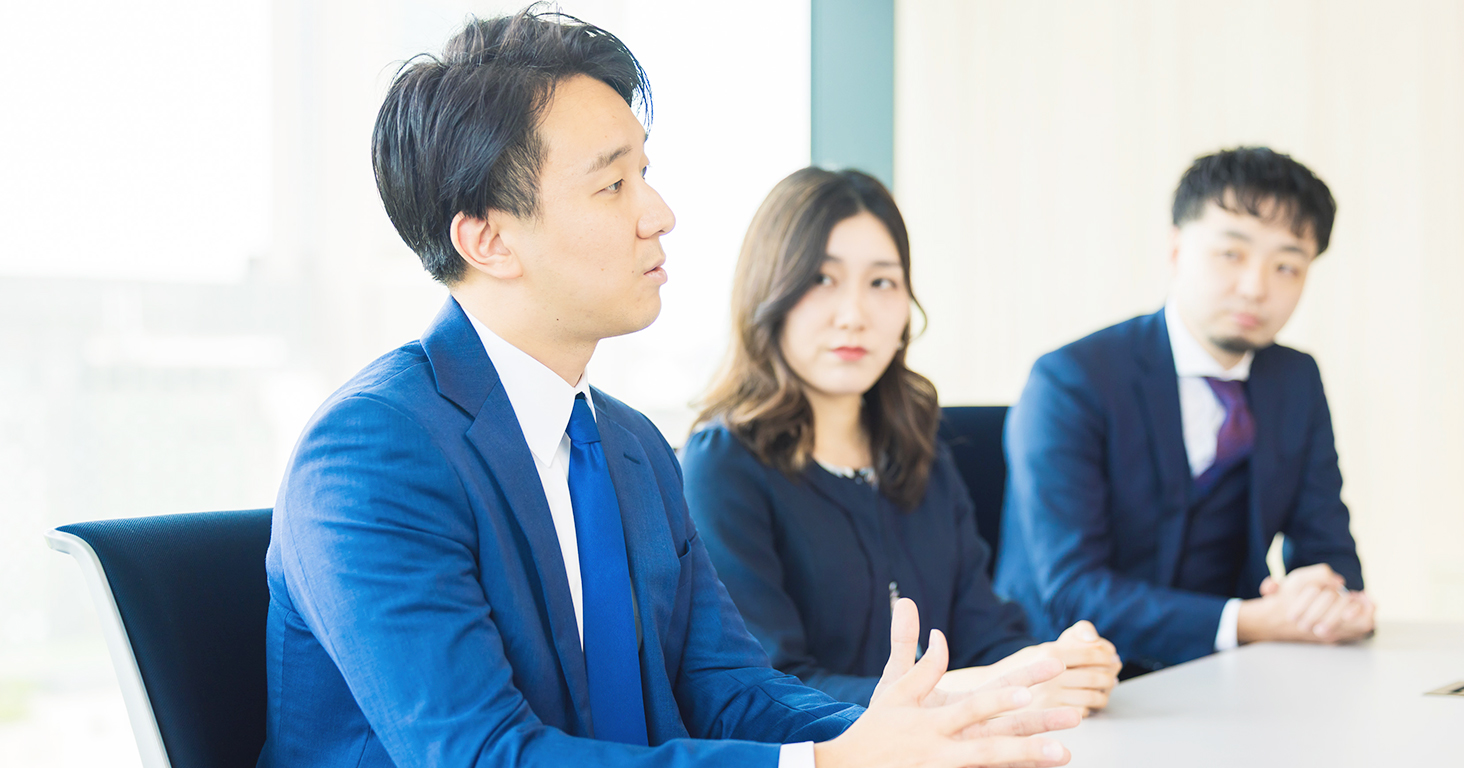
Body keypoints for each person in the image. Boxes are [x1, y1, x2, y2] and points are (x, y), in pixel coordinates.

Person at [259, 9, 1081, 768]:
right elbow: (483, 757)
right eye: (613, 185)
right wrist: (834, 763)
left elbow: (731, 691)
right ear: (488, 238)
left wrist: (906, 733)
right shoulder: (373, 454)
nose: (659, 213)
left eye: (644, 173)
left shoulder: (629, 445)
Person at [681, 167, 1121, 714]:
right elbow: (769, 688)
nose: (854, 316)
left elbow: (986, 636)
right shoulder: (723, 466)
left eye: (882, 283)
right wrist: (980, 686)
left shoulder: (919, 448)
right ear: (769, 294)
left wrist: (1056, 664)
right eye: (822, 279)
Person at [994, 147, 1377, 674]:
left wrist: (1329, 598)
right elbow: (1072, 592)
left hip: (1225, 677)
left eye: (1287, 265)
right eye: (1231, 254)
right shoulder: (1071, 380)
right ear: (1176, 249)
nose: (1255, 287)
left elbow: (1331, 552)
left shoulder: (1295, 380)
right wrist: (1253, 620)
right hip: (1070, 679)